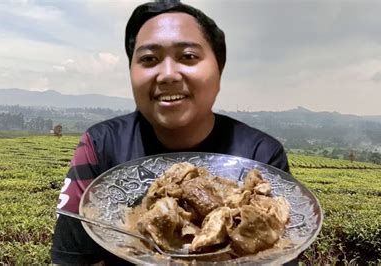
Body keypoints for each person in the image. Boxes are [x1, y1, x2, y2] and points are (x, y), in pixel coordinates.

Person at [51, 1, 291, 264]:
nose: (167, 75)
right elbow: (72, 259)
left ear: (219, 70)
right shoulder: (100, 144)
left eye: (188, 56)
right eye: (149, 59)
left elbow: (278, 252)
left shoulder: (262, 153)